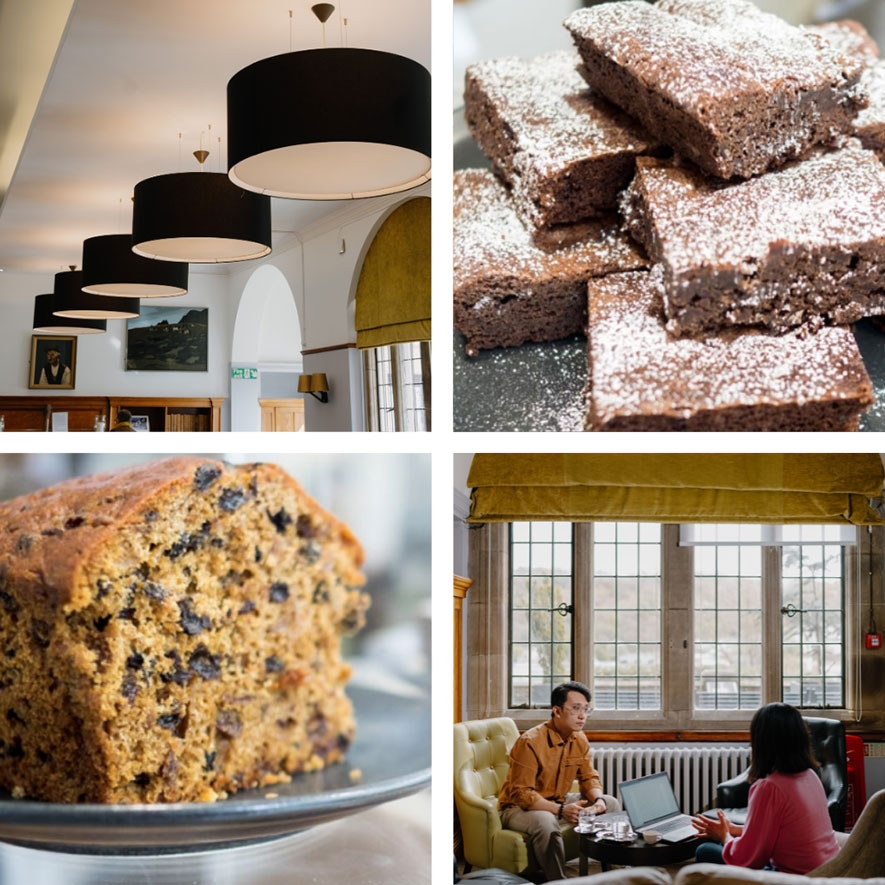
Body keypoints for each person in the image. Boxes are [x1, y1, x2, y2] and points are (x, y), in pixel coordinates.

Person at [691, 702, 840, 874]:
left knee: (705, 851)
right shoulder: (810, 776)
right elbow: (781, 834)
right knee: (722, 846)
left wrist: (724, 836)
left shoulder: (769, 787)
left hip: (797, 878)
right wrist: (734, 830)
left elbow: (748, 860)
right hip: (827, 870)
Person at [497, 681, 620, 882]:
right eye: (575, 709)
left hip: (557, 801)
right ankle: (558, 880)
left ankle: (617, 874)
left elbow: (589, 778)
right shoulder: (530, 741)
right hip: (518, 808)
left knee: (610, 802)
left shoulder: (579, 739)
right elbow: (522, 794)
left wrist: (598, 802)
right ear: (557, 710)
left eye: (586, 710)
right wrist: (561, 810)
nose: (582, 716)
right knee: (545, 820)